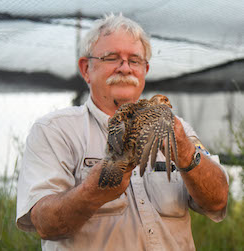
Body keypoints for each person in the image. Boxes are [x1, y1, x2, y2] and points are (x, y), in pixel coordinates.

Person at [16, 13, 229, 251]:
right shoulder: (55, 131)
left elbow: (218, 202)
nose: (125, 67)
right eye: (111, 57)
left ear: (145, 70)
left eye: (135, 60)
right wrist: (92, 191)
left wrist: (186, 151)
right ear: (86, 68)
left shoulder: (178, 129)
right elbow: (44, 224)